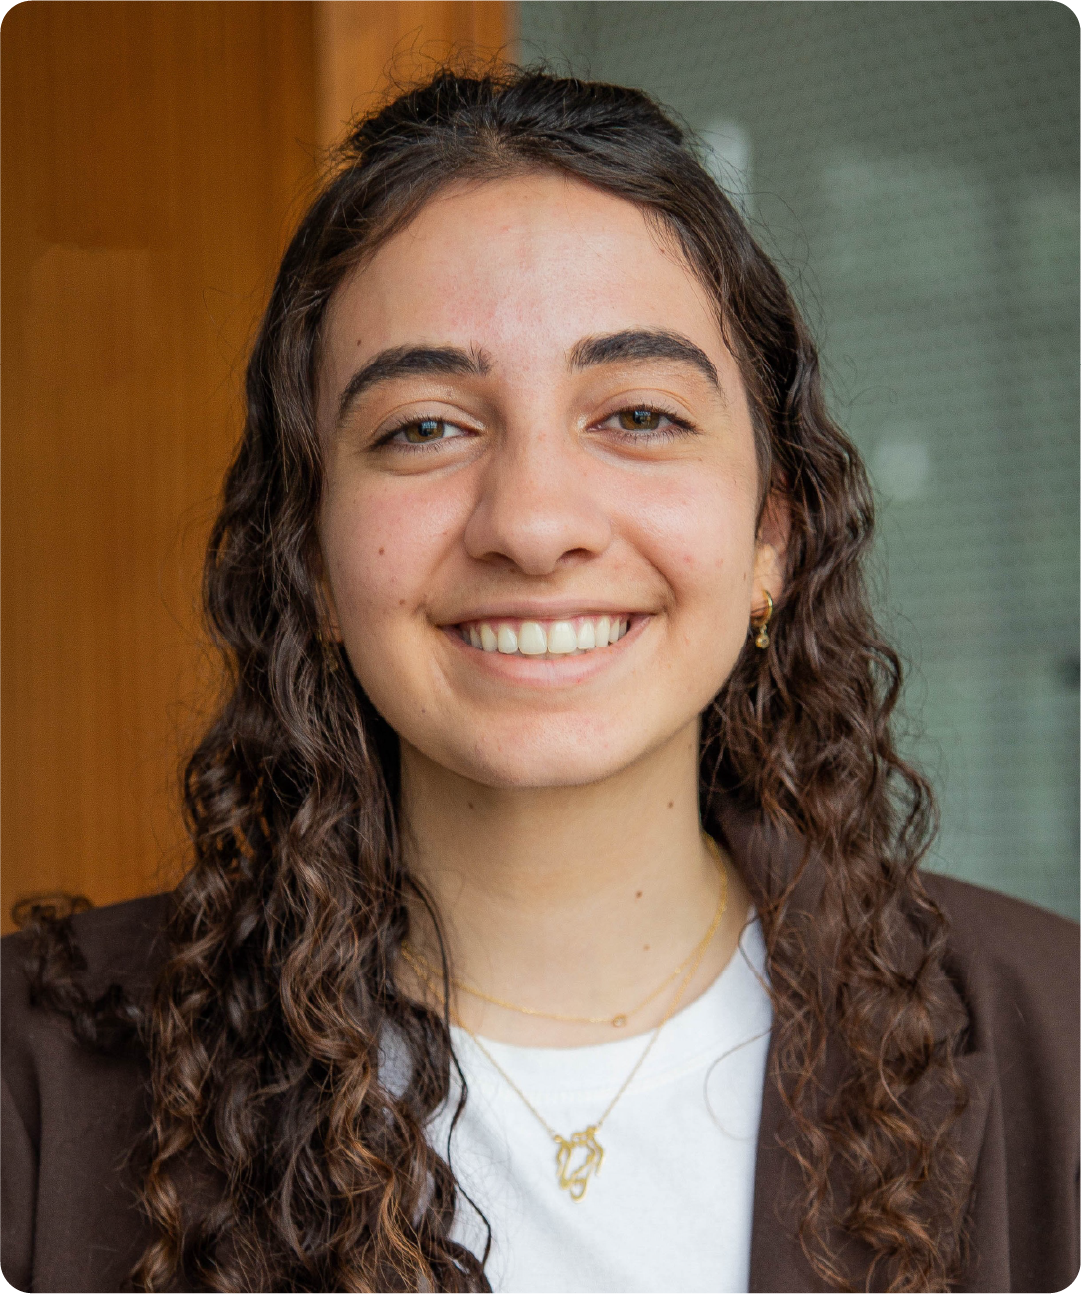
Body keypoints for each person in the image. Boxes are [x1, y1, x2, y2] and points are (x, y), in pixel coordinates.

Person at [2, 67, 1077, 1294]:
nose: (532, 523)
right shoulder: (30, 1091)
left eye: (637, 415)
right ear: (309, 560)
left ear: (770, 535)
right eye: (424, 427)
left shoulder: (1059, 1036)